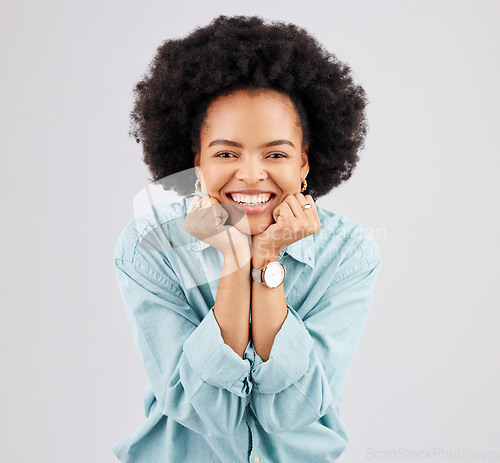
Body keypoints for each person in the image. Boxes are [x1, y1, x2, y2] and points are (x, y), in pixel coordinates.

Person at [112, 15, 382, 463]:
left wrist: (267, 258)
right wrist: (234, 262)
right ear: (196, 161)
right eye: (226, 153)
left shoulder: (348, 253)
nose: (252, 174)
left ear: (305, 165)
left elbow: (292, 411)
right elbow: (209, 416)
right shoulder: (148, 245)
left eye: (276, 153)